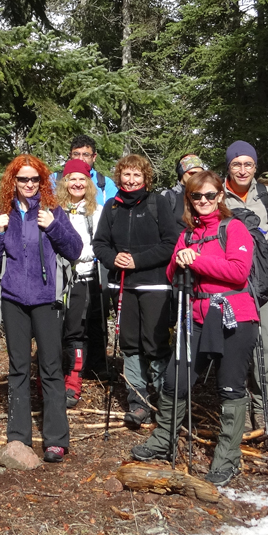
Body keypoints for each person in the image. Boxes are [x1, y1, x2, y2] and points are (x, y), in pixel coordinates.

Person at [132, 171, 258, 487]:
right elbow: (173, 270)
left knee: (230, 387)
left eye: (210, 195)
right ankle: (163, 440)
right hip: (197, 317)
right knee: (176, 380)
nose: (203, 201)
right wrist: (182, 260)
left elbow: (239, 272)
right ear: (189, 199)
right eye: (196, 196)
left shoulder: (235, 228)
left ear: (221, 197)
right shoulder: (188, 234)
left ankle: (228, 458)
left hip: (235, 317)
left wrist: (196, 260)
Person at [0, 155, 82, 463]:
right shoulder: (5, 215)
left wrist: (53, 227)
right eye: (23, 179)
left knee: (52, 369)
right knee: (19, 369)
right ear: (13, 182)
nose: (29, 184)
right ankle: (19, 437)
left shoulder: (53, 212)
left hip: (46, 300)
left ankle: (55, 439)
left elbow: (75, 249)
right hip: (14, 299)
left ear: (43, 182)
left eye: (34, 179)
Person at [91, 154, 180, 425]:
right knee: (130, 344)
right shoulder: (112, 207)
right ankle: (138, 401)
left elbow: (171, 243)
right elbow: (100, 244)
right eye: (126, 175)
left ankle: (165, 401)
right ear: (119, 177)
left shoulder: (158, 203)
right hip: (123, 286)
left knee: (155, 344)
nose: (131, 180)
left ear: (145, 178)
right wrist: (111, 258)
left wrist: (138, 260)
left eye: (136, 175)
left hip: (155, 284)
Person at [222, 140, 268, 427]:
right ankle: (235, 405)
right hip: (229, 281)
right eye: (236, 164)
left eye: (247, 164)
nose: (242, 170)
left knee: (266, 344)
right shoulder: (217, 194)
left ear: (255, 166)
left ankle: (265, 409)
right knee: (234, 342)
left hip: (263, 281)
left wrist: (261, 258)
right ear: (228, 166)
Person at [55, 159, 106, 407]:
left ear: (88, 182)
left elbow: (98, 246)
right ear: (64, 182)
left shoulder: (96, 211)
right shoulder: (54, 209)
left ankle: (73, 383)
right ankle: (53, 379)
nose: (76, 183)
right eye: (71, 178)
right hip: (56, 280)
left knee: (76, 331)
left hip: (83, 278)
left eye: (81, 179)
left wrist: (73, 254)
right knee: (54, 331)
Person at [51, 135, 119, 206]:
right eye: (76, 154)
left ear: (94, 157)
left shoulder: (105, 184)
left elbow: (113, 213)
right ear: (70, 155)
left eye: (86, 155)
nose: (80, 159)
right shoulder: (54, 179)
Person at [162, 154, 207, 221]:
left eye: (200, 174)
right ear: (182, 173)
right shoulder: (169, 196)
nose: (197, 177)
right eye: (192, 173)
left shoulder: (207, 196)